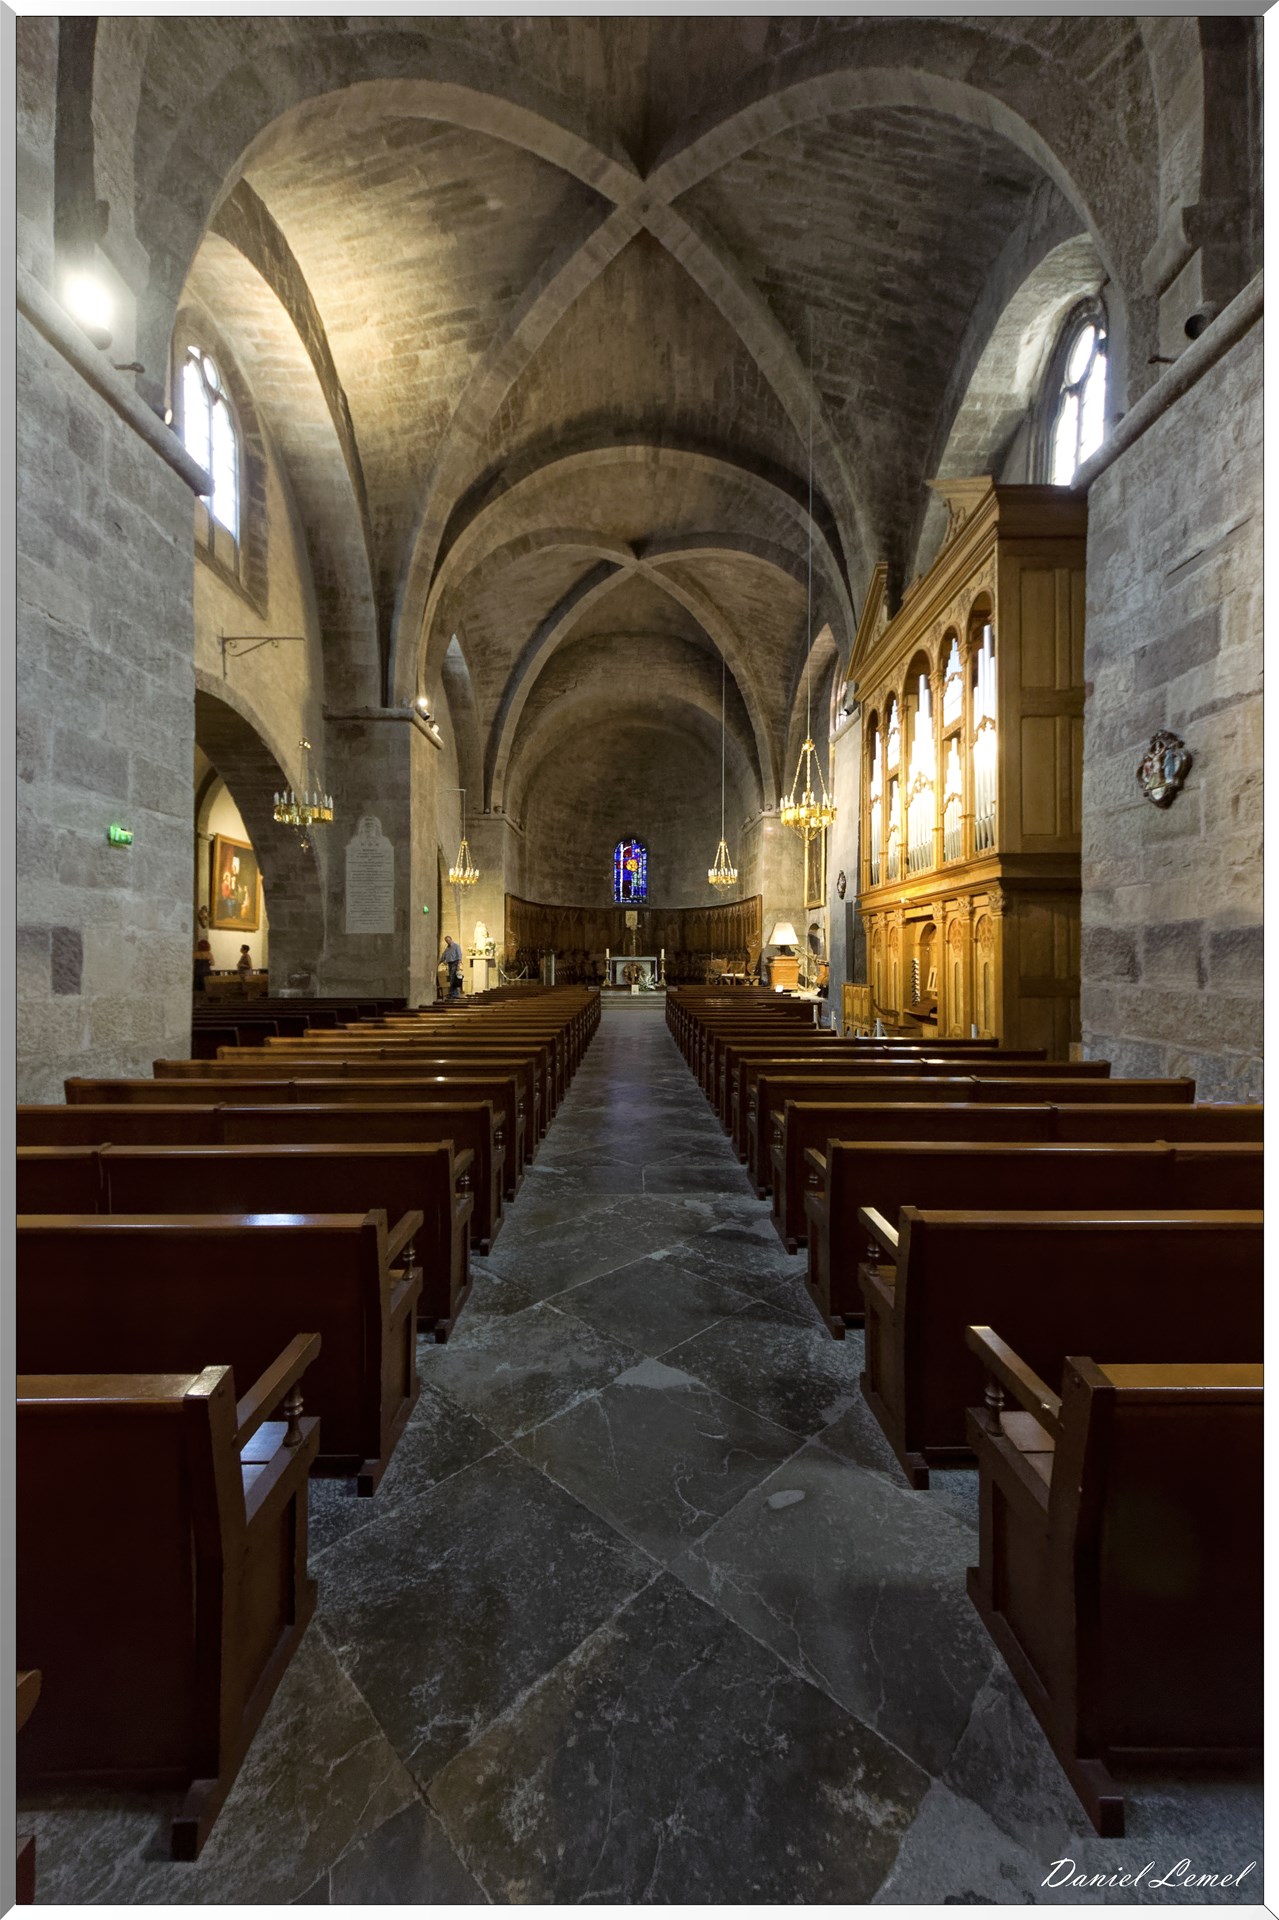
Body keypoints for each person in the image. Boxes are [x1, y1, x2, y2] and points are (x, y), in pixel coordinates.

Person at [442, 933, 463, 1000]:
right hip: (450, 964)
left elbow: (459, 955)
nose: (448, 942)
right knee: (452, 979)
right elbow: (444, 955)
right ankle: (454, 993)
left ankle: (454, 994)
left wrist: (458, 964)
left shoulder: (456, 946)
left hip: (455, 963)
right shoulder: (447, 948)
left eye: (449, 940)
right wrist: (441, 961)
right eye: (446, 941)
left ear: (451, 939)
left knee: (453, 978)